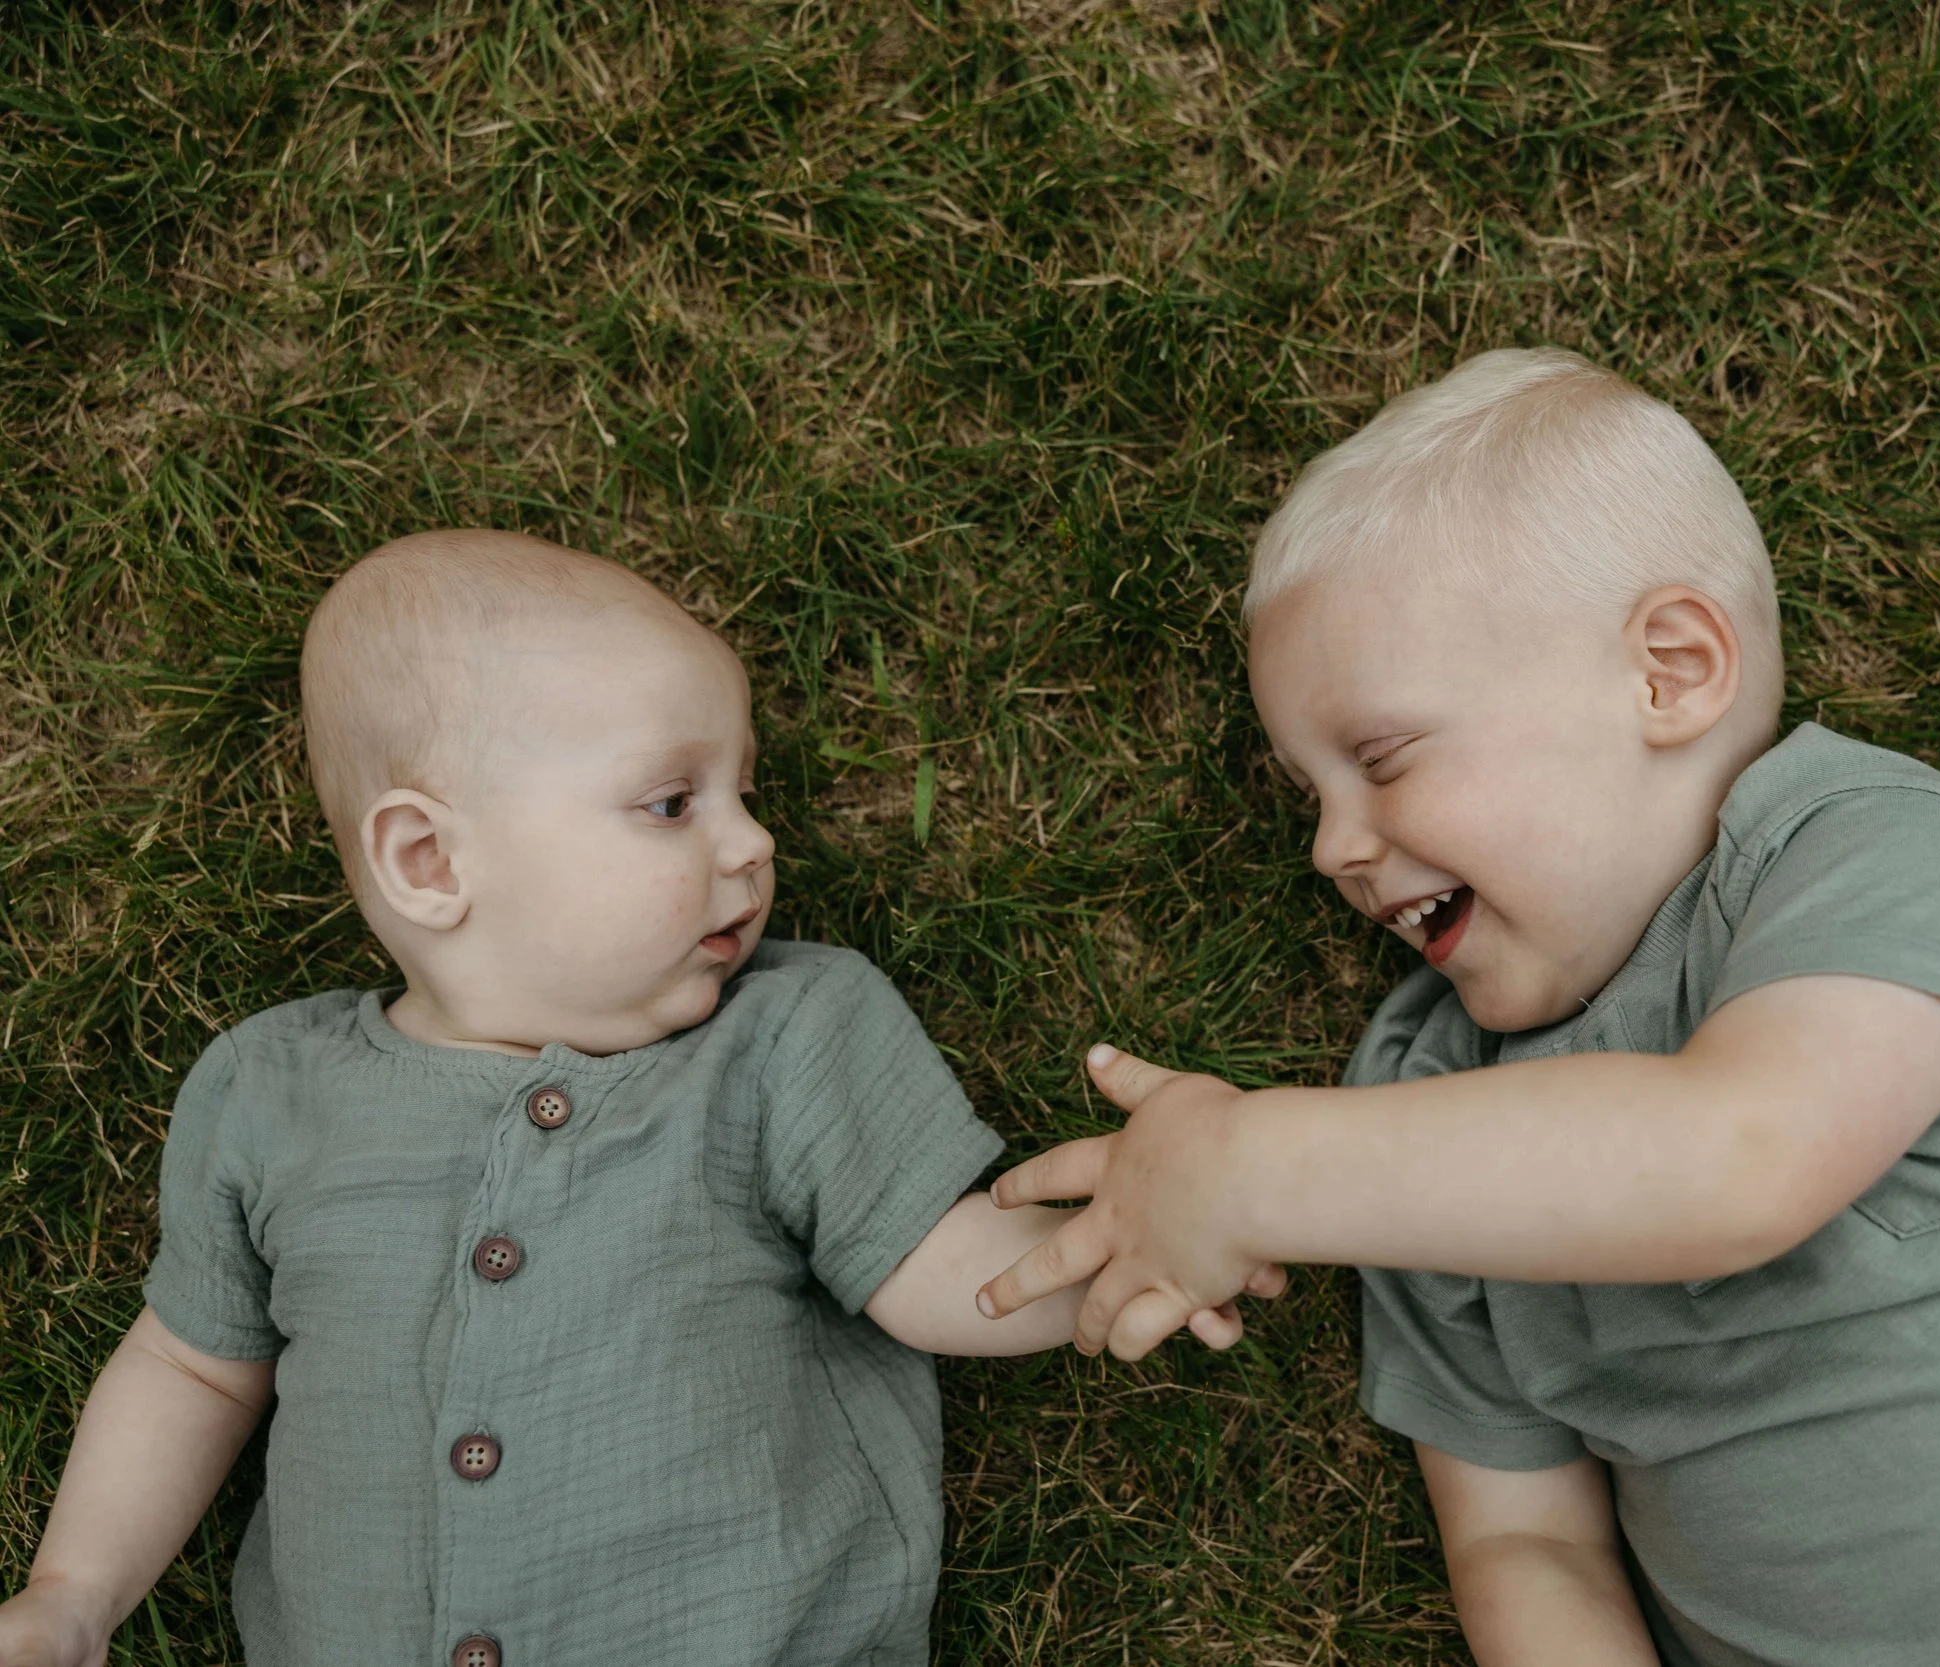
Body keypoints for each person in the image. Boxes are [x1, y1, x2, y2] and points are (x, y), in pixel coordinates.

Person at [975, 349, 1940, 1667]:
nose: (1332, 844)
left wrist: (1248, 1165)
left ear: (1669, 672)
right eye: (1309, 796)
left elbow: (1740, 1155)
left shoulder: (1855, 845)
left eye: (1380, 756)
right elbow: (1524, 1539)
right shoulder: (1408, 1107)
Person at [0, 531, 1273, 1667]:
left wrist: (1145, 1228)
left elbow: (937, 1270)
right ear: (430, 859)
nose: (753, 841)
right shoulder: (271, 1089)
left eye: (743, 790)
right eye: (674, 802)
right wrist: (74, 1593)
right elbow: (192, 1366)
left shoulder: (786, 1031)